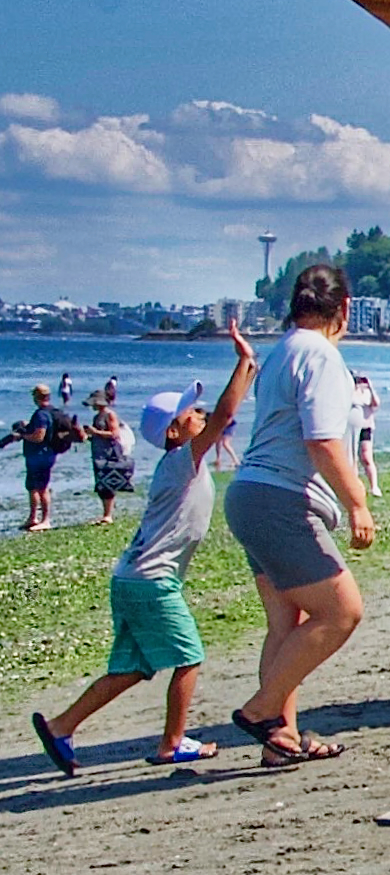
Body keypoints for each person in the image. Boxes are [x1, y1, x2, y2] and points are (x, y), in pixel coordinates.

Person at [32, 322, 257, 775]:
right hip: (151, 582)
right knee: (189, 655)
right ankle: (173, 743)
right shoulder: (182, 460)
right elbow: (223, 416)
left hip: (131, 578)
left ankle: (59, 727)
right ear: (176, 432)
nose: (200, 415)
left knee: (134, 668)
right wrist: (241, 362)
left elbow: (221, 414)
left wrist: (249, 367)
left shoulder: (178, 461)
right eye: (191, 414)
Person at [225, 265, 374, 765]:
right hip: (279, 501)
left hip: (248, 494)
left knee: (285, 625)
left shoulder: (282, 350)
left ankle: (280, 740)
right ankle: (263, 711)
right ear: (344, 309)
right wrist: (357, 502)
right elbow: (322, 441)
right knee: (341, 610)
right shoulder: (322, 356)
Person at [83, 388, 135, 526]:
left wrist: (95, 432)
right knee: (101, 482)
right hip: (99, 452)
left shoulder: (110, 415)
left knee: (108, 482)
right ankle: (105, 513)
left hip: (109, 452)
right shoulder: (97, 417)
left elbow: (114, 434)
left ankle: (108, 515)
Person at [19, 385, 59, 532]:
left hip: (41, 455)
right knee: (33, 487)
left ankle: (45, 520)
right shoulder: (51, 411)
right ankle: (33, 518)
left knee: (41, 488)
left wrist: (22, 436)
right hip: (43, 454)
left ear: (36, 397)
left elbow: (39, 436)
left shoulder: (41, 414)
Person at [350, 372, 383, 496]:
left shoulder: (367, 393)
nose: (360, 383)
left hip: (366, 426)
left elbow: (376, 404)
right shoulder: (349, 393)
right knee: (352, 458)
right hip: (351, 428)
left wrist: (370, 387)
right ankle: (355, 486)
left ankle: (374, 486)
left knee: (366, 457)